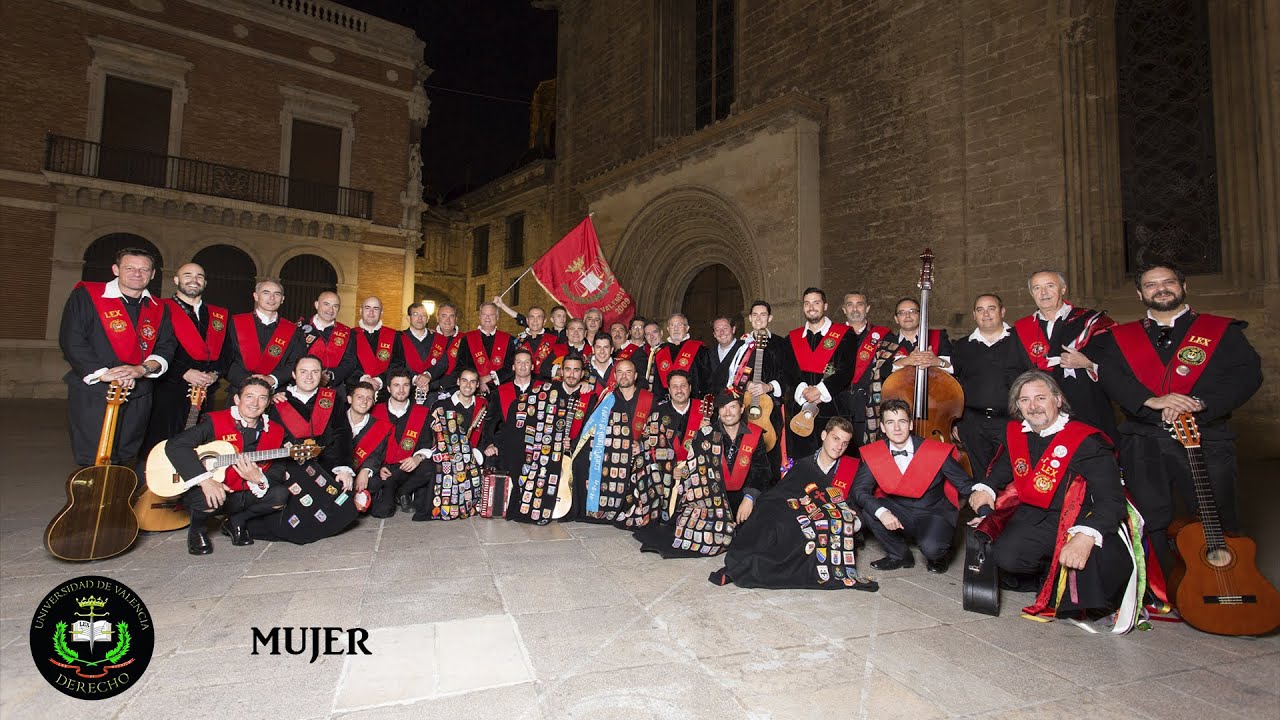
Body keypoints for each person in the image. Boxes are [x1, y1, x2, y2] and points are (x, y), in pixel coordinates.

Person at [1093, 263, 1262, 583]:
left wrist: (1200, 403)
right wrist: (1150, 400)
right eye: (1151, 284)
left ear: (1184, 286)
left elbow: (1247, 375)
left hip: (1206, 437)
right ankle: (1159, 588)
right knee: (1149, 517)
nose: (1161, 288)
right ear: (1140, 293)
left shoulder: (1221, 331)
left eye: (1168, 282)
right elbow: (1110, 376)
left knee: (1218, 514)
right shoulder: (1120, 337)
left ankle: (1225, 587)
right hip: (1144, 440)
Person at [971, 370, 1140, 628]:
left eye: (1040, 398)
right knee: (1006, 557)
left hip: (1080, 518)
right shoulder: (1017, 433)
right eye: (1024, 400)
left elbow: (1112, 501)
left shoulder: (1088, 441)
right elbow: (1004, 467)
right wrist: (987, 488)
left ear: (1058, 400)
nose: (1033, 407)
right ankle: (1046, 569)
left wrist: (1085, 537)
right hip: (1036, 513)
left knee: (1080, 597)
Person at [709, 417, 877, 591]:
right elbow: (781, 494)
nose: (839, 446)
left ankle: (758, 568)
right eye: (835, 439)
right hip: (801, 517)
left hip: (830, 532)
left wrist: (849, 518)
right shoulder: (803, 465)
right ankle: (744, 565)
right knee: (772, 517)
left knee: (800, 537)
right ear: (824, 435)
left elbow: (858, 509)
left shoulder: (852, 469)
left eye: (845, 443)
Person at [59, 247, 175, 465]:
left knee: (126, 455)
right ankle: (92, 499)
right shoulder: (87, 295)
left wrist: (141, 369)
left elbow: (166, 347)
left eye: (144, 269)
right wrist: (104, 374)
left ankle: (118, 498)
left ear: (152, 274)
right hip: (95, 390)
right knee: (93, 456)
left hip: (139, 391)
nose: (137, 273)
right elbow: (71, 340)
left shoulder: (160, 308)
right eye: (129, 268)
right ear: (115, 269)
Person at [634, 389, 767, 558]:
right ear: (717, 412)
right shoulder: (706, 434)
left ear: (741, 409)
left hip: (744, 494)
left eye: (733, 407)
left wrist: (750, 498)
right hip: (714, 496)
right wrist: (681, 471)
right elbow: (693, 466)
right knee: (701, 534)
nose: (728, 413)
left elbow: (761, 470)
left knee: (758, 536)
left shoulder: (755, 434)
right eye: (723, 408)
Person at [165, 377, 289, 555]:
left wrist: (259, 479)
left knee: (280, 495)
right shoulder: (214, 421)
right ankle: (197, 529)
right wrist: (206, 481)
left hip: (246, 491)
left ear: (268, 403)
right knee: (206, 497)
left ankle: (237, 520)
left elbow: (278, 470)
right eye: (249, 397)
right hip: (216, 489)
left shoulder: (276, 430)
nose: (255, 403)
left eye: (262, 398)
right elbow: (175, 445)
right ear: (237, 399)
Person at [852, 399, 975, 573]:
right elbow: (859, 490)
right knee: (871, 511)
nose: (896, 428)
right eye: (890, 423)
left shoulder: (934, 451)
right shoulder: (876, 453)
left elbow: (964, 484)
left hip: (934, 513)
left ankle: (939, 555)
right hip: (899, 511)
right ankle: (899, 555)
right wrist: (883, 512)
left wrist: (984, 509)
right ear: (883, 427)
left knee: (932, 549)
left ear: (910, 424)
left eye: (902, 422)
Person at [252, 355, 359, 544]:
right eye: (303, 372)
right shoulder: (278, 401)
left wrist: (344, 468)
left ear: (322, 375)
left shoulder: (332, 399)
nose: (309, 377)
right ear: (293, 374)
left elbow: (343, 434)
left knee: (344, 507)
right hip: (289, 466)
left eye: (315, 372)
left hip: (325, 463)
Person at [1012, 270, 1116, 437]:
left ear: (1063, 289)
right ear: (1032, 294)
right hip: (1041, 414)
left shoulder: (1091, 321)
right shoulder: (1020, 329)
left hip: (1086, 407)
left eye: (1050, 286)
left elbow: (1116, 364)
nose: (1043, 293)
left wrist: (1087, 363)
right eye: (1037, 288)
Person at [143, 262, 227, 459]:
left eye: (199, 276)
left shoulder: (217, 315)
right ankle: (152, 486)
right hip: (168, 388)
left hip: (205, 387)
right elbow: (153, 347)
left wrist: (214, 374)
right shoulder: (160, 308)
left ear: (205, 282)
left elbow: (227, 350)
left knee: (196, 442)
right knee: (159, 442)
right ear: (176, 280)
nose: (193, 280)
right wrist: (184, 372)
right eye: (187, 275)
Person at [505, 354, 598, 524]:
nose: (571, 374)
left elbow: (592, 429)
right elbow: (519, 408)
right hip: (546, 450)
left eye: (576, 370)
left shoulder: (590, 398)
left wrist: (575, 442)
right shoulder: (547, 391)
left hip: (574, 452)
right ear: (561, 371)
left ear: (582, 373)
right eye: (568, 369)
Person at [564, 359, 655, 525]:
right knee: (581, 460)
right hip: (610, 450)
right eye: (620, 372)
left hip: (637, 452)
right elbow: (593, 426)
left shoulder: (648, 399)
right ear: (615, 376)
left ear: (635, 376)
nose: (624, 376)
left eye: (628, 372)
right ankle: (591, 508)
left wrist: (642, 444)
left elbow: (656, 429)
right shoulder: (608, 398)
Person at [951, 293, 1031, 477]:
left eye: (991, 308)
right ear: (974, 315)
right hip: (973, 424)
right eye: (980, 310)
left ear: (1002, 312)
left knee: (1014, 477)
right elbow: (955, 386)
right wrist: (955, 422)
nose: (986, 314)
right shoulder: (962, 346)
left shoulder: (1021, 341)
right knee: (980, 478)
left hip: (1012, 421)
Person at [786, 287, 857, 459]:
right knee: (803, 462)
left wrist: (819, 391)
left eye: (816, 302)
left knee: (836, 463)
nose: (811, 307)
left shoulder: (845, 335)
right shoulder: (792, 338)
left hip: (834, 409)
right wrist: (804, 391)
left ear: (825, 306)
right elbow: (789, 371)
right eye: (807, 303)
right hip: (800, 410)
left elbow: (845, 371)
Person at [726, 301, 791, 478]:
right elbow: (731, 375)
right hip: (744, 408)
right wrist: (745, 385)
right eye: (755, 314)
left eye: (763, 314)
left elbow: (789, 375)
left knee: (771, 453)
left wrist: (768, 386)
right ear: (749, 318)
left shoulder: (780, 344)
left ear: (770, 318)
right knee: (744, 452)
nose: (759, 318)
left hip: (770, 410)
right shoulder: (741, 345)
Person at [418, 367, 493, 520]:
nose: (468, 385)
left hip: (472, 454)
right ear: (458, 382)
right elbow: (429, 435)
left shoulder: (483, 405)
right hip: (446, 454)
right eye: (464, 380)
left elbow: (488, 433)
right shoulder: (441, 405)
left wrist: (487, 446)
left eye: (473, 382)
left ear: (477, 385)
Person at [371, 369, 434, 516]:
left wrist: (417, 458)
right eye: (396, 385)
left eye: (405, 385)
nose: (401, 390)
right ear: (388, 388)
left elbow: (427, 443)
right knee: (382, 511)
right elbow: (369, 446)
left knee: (430, 467)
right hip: (384, 470)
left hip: (408, 467)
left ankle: (404, 491)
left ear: (410, 388)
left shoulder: (421, 412)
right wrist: (378, 467)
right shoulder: (375, 412)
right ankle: (394, 491)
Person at [834, 291, 892, 447]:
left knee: (868, 453)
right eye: (850, 305)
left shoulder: (883, 336)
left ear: (867, 308)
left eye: (859, 304)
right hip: (838, 405)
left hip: (868, 406)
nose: (855, 309)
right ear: (844, 310)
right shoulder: (832, 335)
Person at [225, 278, 299, 399]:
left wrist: (272, 379)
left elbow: (296, 363)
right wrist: (247, 381)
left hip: (277, 395)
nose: (272, 298)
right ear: (256, 296)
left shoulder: (293, 330)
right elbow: (226, 358)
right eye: (266, 293)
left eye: (277, 294)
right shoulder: (236, 323)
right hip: (240, 392)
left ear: (282, 299)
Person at [339, 381, 393, 516]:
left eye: (369, 398)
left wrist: (365, 470)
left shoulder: (379, 426)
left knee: (374, 483)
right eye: (360, 397)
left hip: (361, 469)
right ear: (349, 399)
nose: (364, 401)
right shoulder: (336, 421)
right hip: (337, 469)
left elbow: (377, 455)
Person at [487, 348, 542, 474]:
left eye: (526, 362)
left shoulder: (543, 390)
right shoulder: (500, 392)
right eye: (519, 362)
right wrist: (489, 444)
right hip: (507, 449)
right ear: (513, 367)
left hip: (535, 448)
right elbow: (491, 423)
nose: (523, 366)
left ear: (532, 366)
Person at [390, 302, 448, 405]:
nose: (420, 318)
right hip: (406, 393)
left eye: (423, 315)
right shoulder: (399, 338)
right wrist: (416, 379)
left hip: (432, 394)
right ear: (408, 318)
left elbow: (443, 363)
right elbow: (395, 365)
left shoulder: (437, 339)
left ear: (428, 318)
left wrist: (428, 375)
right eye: (415, 314)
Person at [298, 291, 357, 388]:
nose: (331, 310)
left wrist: (331, 375)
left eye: (335, 306)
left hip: (335, 388)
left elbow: (350, 363)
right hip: (302, 385)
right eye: (326, 304)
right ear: (316, 305)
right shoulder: (299, 328)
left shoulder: (347, 333)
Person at [457, 301, 515, 395]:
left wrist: (489, 377)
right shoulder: (467, 339)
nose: (487, 318)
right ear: (479, 317)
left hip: (501, 390)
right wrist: (477, 381)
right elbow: (461, 365)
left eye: (491, 315)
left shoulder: (508, 339)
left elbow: (511, 366)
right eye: (484, 314)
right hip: (472, 390)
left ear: (497, 317)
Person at [653, 313, 712, 401]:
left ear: (687, 328)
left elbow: (707, 379)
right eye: (672, 325)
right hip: (666, 404)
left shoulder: (700, 350)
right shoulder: (660, 351)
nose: (676, 328)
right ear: (668, 329)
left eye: (679, 325)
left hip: (694, 402)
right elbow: (656, 384)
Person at [349, 296, 397, 395]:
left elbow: (398, 364)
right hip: (355, 392)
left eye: (376, 308)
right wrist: (363, 379)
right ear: (360, 311)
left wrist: (380, 381)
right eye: (367, 308)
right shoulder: (350, 335)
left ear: (381, 312)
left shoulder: (394, 336)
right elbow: (346, 364)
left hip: (384, 393)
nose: (371, 312)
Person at [707, 316, 746, 391]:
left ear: (733, 329)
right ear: (714, 334)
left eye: (725, 328)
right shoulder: (708, 353)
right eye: (717, 329)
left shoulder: (744, 349)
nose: (722, 333)